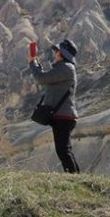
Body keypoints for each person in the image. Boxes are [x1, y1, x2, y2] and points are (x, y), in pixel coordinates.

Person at [28, 39, 81, 174]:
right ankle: (75, 177)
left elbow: (42, 79)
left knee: (63, 150)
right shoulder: (63, 68)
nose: (54, 53)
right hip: (63, 116)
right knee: (63, 150)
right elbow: (45, 77)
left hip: (64, 117)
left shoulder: (66, 68)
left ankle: (74, 178)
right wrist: (36, 64)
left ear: (61, 54)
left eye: (56, 51)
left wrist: (32, 62)